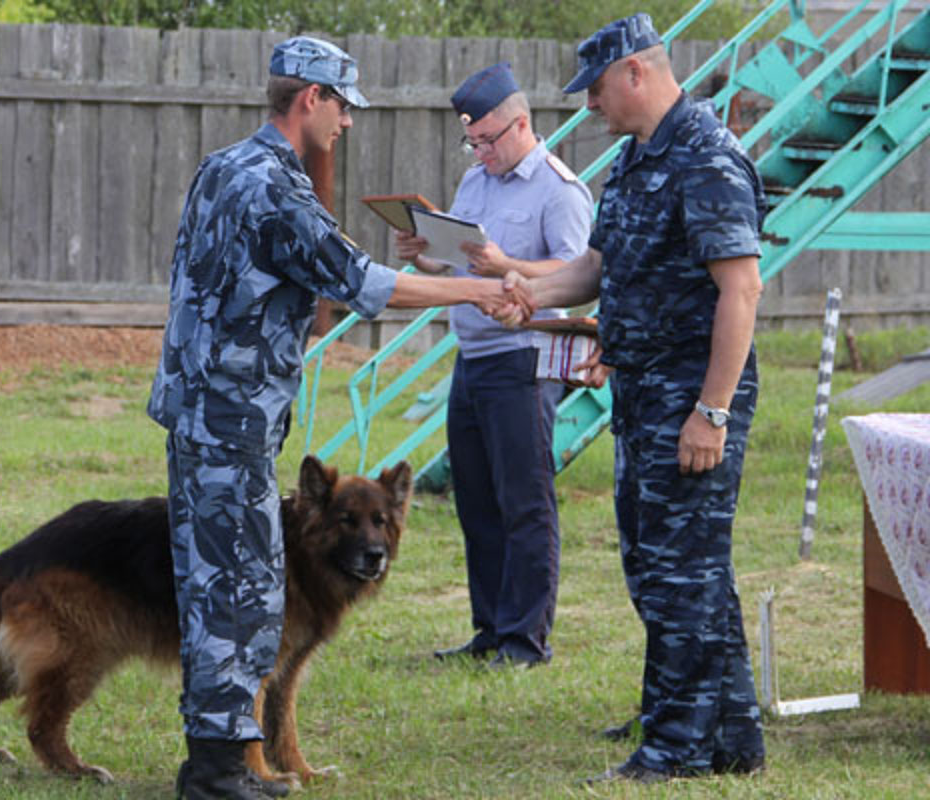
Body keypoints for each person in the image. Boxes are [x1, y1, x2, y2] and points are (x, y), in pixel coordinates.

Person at [147, 36, 515, 800]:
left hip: (203, 411)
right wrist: (476, 291)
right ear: (310, 98)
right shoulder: (275, 188)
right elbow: (361, 282)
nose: (347, 121)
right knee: (238, 589)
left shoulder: (223, 167)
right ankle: (215, 774)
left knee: (219, 580)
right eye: (343, 105)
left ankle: (221, 760)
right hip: (231, 420)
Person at [496, 13, 767, 783]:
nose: (591, 107)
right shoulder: (640, 158)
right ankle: (733, 733)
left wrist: (710, 412)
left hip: (691, 395)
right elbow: (597, 267)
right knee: (670, 568)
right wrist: (529, 290)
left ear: (636, 74)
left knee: (682, 573)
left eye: (597, 91)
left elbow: (740, 290)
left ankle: (675, 745)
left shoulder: (706, 158)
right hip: (644, 392)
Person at [394, 63, 592, 670]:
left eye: (487, 140)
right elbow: (459, 267)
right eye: (471, 142)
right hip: (473, 357)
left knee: (523, 502)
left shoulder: (560, 191)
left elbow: (579, 282)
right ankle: (489, 631)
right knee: (476, 501)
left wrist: (508, 264)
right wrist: (421, 256)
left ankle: (525, 641)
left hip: (524, 359)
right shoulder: (477, 181)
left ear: (521, 125)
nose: (478, 152)